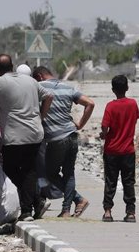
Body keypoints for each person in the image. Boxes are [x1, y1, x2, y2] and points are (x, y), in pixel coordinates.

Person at [0, 54, 53, 221]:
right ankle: (35, 202)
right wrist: (41, 117)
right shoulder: (31, 81)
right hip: (34, 133)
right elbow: (49, 96)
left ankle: (28, 209)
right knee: (29, 170)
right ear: (13, 65)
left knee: (12, 171)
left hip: (13, 136)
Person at [32, 66, 94, 218]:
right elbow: (90, 103)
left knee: (50, 173)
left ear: (39, 76)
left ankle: (78, 199)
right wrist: (80, 125)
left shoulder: (38, 87)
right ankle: (66, 210)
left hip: (57, 138)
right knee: (69, 173)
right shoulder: (68, 88)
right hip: (72, 135)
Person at [100, 75, 139, 223]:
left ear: (113, 90)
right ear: (127, 88)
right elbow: (134, 119)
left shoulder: (110, 106)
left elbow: (105, 127)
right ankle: (130, 212)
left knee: (110, 181)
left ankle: (108, 211)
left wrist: (103, 135)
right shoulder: (133, 104)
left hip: (111, 150)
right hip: (128, 151)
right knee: (128, 181)